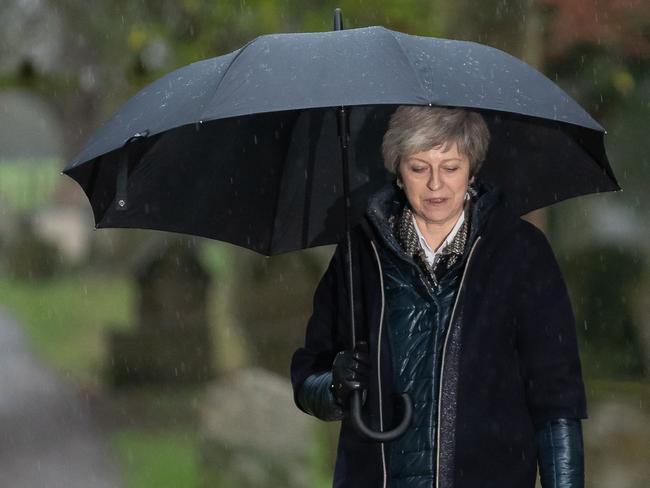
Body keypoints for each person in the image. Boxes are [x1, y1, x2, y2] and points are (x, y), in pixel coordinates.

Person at [290, 105, 587, 488]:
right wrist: (334, 384)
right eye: (419, 167)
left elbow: (556, 400)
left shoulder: (521, 252)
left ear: (472, 170)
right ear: (398, 173)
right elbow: (308, 376)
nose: (435, 185)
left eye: (450, 167)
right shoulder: (359, 253)